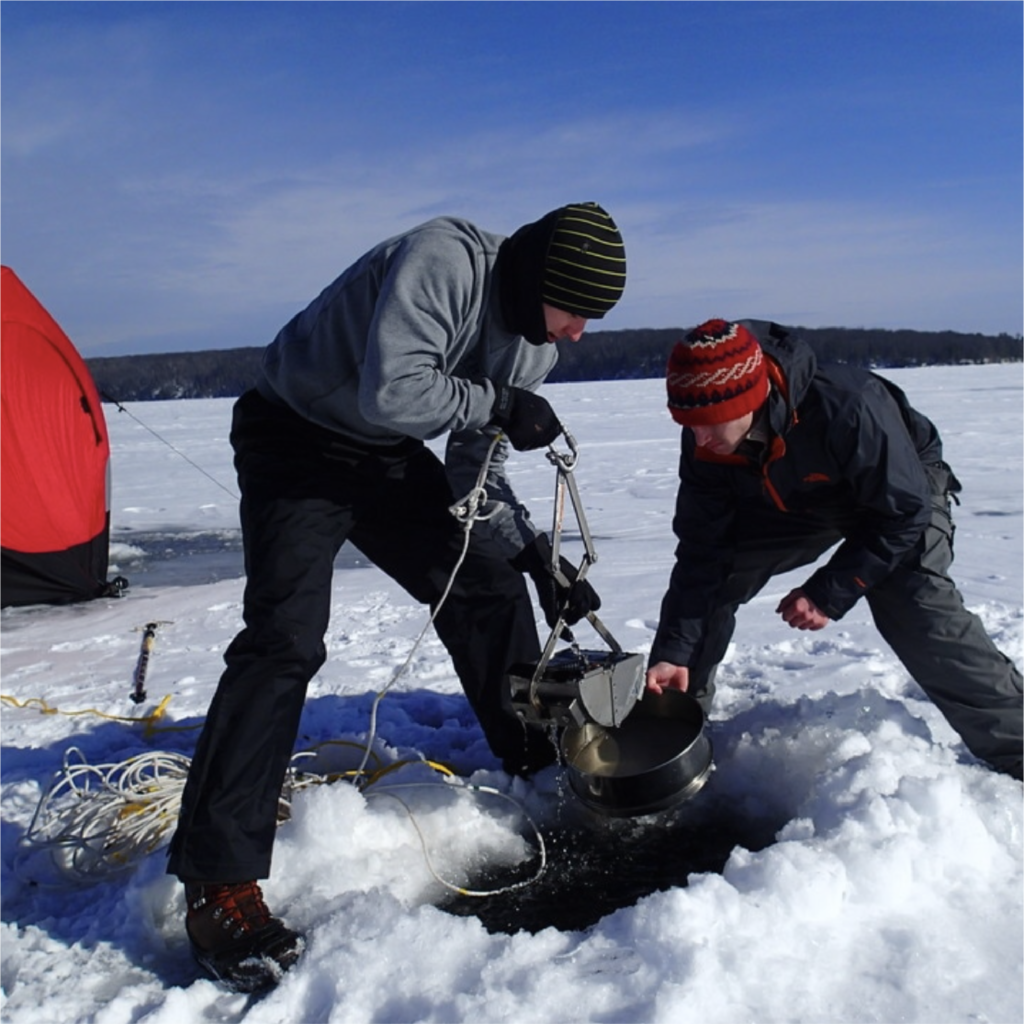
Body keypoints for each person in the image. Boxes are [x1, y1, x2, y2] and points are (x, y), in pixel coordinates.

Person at [167, 202, 627, 991]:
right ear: (537, 278)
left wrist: (531, 552)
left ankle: (534, 758)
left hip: (381, 455)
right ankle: (219, 885)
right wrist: (496, 404)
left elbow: (470, 476)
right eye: (576, 310)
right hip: (294, 436)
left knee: (483, 581)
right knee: (284, 639)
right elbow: (395, 392)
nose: (579, 331)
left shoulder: (534, 347)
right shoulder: (444, 261)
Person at [647, 318, 1024, 780]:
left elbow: (903, 512)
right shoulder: (707, 438)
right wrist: (673, 651)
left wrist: (830, 590)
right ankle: (672, 740)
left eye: (707, 425)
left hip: (899, 497)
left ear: (750, 400)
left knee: (915, 606)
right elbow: (702, 549)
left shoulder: (849, 406)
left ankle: (1018, 747)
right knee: (716, 579)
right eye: (687, 424)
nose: (697, 437)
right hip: (792, 498)